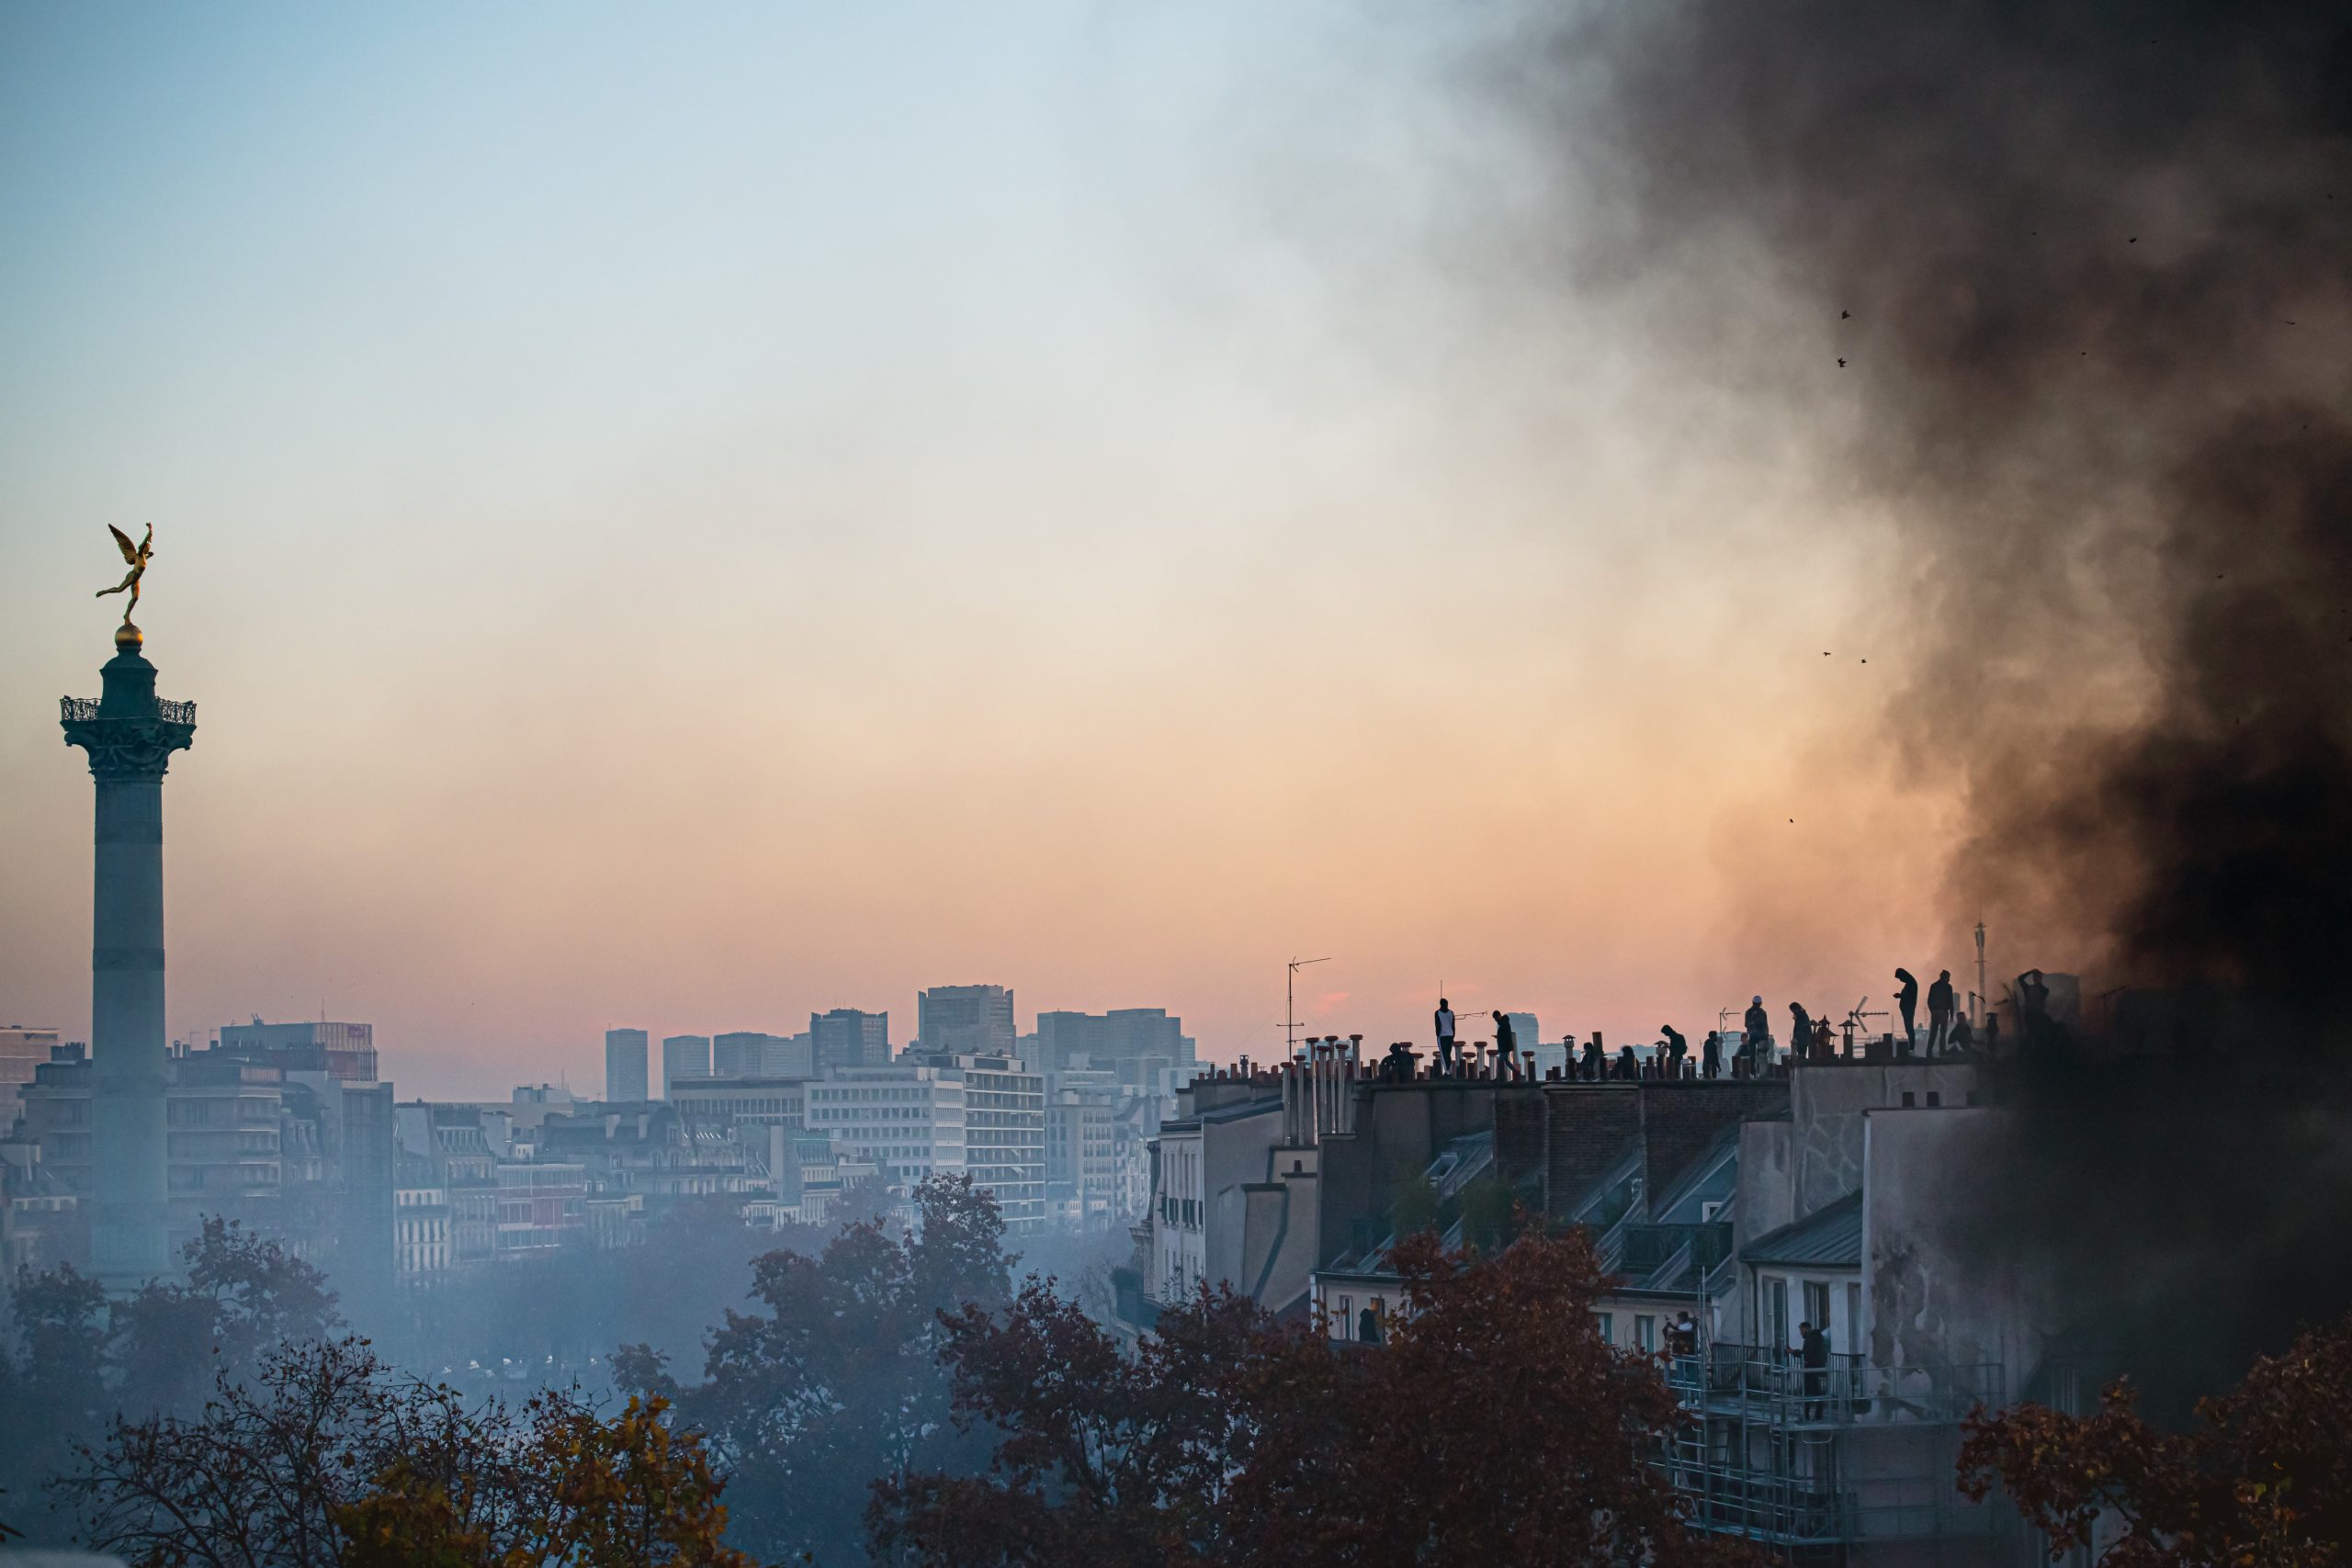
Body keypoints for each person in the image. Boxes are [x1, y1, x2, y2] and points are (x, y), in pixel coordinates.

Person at [1800, 1320, 1829, 1419]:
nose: (1801, 1333)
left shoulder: (1810, 1339)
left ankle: (1807, 1415)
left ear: (1805, 1329)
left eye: (1801, 1330)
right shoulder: (1816, 1338)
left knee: (1807, 1392)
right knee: (1816, 1392)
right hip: (1816, 1367)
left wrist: (1797, 1353)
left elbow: (1807, 1353)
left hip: (1811, 1368)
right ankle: (1817, 1415)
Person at [1927, 969, 1955, 1055]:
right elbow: (1950, 1001)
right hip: (1943, 1012)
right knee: (1943, 1033)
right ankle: (1942, 1051)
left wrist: (1932, 1011)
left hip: (1935, 1012)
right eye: (1948, 978)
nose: (1949, 979)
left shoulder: (1933, 986)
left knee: (1933, 1033)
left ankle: (1928, 1051)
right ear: (1945, 977)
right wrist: (1951, 1015)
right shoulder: (1948, 987)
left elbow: (1929, 1000)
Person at [1894, 967, 1920, 1054]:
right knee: (1908, 1028)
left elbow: (1909, 996)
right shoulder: (1909, 983)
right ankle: (1911, 1047)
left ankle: (1911, 1047)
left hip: (1909, 1009)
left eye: (1900, 978)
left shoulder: (1911, 983)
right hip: (1906, 1009)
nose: (1901, 980)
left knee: (1909, 1028)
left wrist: (1900, 996)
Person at [1434, 998, 1457, 1077]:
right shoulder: (1451, 1013)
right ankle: (1448, 1070)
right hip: (1450, 1035)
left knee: (1444, 1054)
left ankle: (1447, 1071)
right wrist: (1453, 1035)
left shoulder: (1437, 1013)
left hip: (1442, 1036)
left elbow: (1437, 1025)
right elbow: (1453, 1025)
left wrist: (1437, 1035)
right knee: (1448, 1054)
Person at [1493, 1011, 1518, 1080]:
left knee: (1500, 1062)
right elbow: (1504, 1035)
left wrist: (1498, 1037)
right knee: (1506, 1061)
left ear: (1499, 1016)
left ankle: (1499, 1077)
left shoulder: (1503, 1023)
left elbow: (1504, 1036)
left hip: (1505, 1047)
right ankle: (1516, 1072)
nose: (1495, 1020)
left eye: (1495, 1018)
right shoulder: (1504, 1023)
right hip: (1505, 1046)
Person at [1787, 1002, 1811, 1072]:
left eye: (1793, 1010)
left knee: (1802, 1054)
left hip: (1802, 1038)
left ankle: (1802, 1068)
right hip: (1801, 1038)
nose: (1793, 1012)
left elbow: (1802, 1027)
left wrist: (1796, 1035)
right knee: (1801, 1054)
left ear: (1796, 1008)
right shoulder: (1802, 1015)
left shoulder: (1802, 1016)